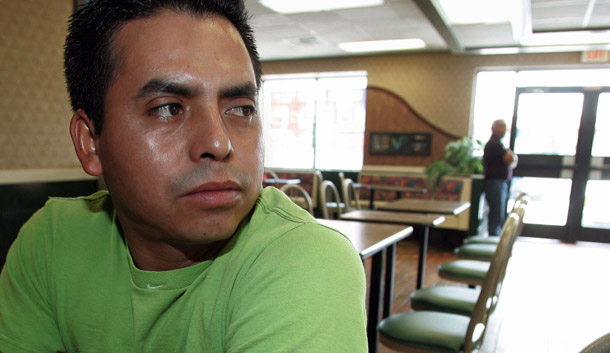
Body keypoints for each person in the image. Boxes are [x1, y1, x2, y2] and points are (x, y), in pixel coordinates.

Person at [0, 1, 368, 352]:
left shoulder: (305, 262)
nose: (218, 142)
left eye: (241, 109)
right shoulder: (52, 238)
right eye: (168, 109)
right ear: (90, 142)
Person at [483, 119, 517, 236]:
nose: (504, 130)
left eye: (504, 127)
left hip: (498, 183)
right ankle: (493, 238)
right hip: (495, 183)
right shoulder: (494, 144)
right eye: (501, 126)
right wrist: (511, 155)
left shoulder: (499, 144)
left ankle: (495, 239)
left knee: (498, 213)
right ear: (494, 128)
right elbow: (510, 159)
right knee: (496, 212)